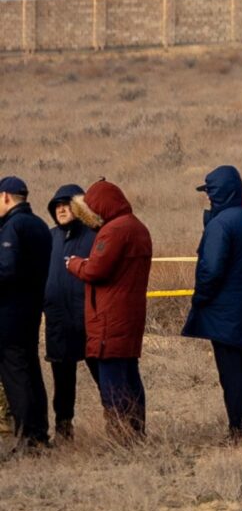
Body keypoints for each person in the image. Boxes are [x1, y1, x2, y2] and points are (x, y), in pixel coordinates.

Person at [181, 165, 242, 441]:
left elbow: (211, 269)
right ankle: (239, 421)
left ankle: (237, 428)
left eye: (210, 192)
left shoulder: (220, 225)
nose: (208, 197)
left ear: (220, 192)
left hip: (222, 309)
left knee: (229, 370)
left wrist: (201, 297)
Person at [64, 180, 151, 436]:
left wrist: (75, 263)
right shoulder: (137, 227)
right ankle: (136, 430)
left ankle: (120, 433)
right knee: (129, 373)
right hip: (129, 313)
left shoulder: (114, 231)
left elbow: (96, 270)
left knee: (112, 378)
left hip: (110, 316)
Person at [0, 178, 54, 447]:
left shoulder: (13, 226)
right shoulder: (41, 225)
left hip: (9, 313)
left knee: (15, 375)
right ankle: (39, 433)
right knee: (30, 370)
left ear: (6, 197)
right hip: (32, 309)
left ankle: (27, 438)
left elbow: (6, 270)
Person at [43, 187, 93, 442]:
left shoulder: (94, 237)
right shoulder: (48, 238)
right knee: (63, 384)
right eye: (57, 206)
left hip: (90, 320)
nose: (61, 209)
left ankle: (121, 426)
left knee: (104, 376)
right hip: (58, 321)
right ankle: (64, 430)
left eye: (67, 204)